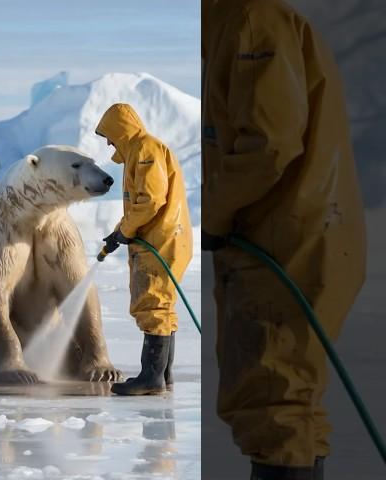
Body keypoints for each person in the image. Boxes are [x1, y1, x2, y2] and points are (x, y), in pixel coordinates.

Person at [202, 0, 366, 478]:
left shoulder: (252, 20)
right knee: (288, 403)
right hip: (289, 236)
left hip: (285, 243)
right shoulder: (237, 19)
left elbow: (269, 143)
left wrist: (215, 214)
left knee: (276, 404)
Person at [95, 103, 192, 396]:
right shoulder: (140, 150)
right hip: (163, 238)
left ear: (120, 129)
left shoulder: (144, 149)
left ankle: (151, 378)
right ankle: (163, 375)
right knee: (162, 305)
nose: (109, 142)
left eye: (109, 135)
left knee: (153, 304)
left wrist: (126, 230)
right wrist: (119, 232)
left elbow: (150, 200)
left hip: (159, 241)